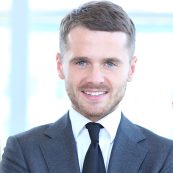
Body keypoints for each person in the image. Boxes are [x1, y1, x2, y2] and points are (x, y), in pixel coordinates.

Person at [1, 1, 173, 173]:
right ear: (60, 66)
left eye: (110, 63)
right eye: (82, 62)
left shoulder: (164, 156)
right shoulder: (23, 151)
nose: (95, 78)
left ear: (131, 69)